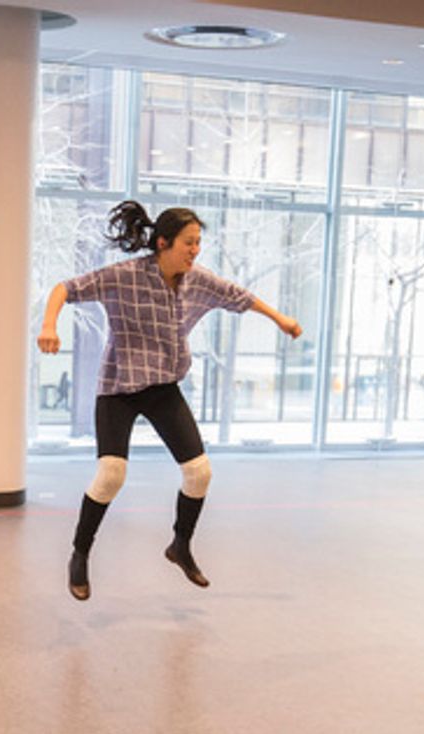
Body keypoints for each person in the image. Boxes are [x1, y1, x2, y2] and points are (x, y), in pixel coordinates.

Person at [38, 200, 302, 601]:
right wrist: (48, 325)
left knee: (200, 474)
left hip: (163, 386)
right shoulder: (125, 276)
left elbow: (240, 296)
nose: (195, 250)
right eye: (188, 243)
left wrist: (280, 319)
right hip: (119, 388)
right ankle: (80, 553)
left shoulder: (197, 280)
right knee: (111, 476)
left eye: (198, 243)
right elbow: (66, 288)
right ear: (163, 242)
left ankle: (180, 545)